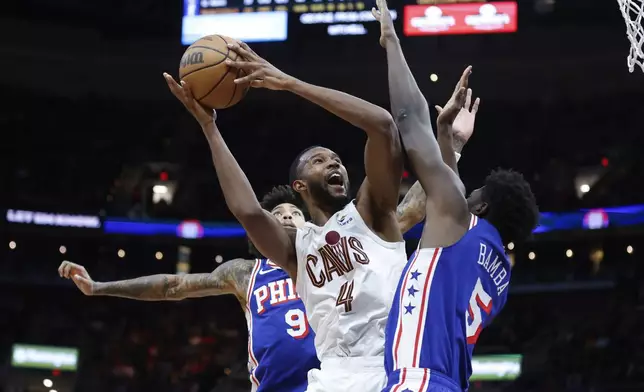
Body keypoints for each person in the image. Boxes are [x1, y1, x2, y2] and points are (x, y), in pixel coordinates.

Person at [159, 39, 474, 391]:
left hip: (391, 366)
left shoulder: (372, 212)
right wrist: (209, 127)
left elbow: (383, 125)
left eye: (336, 159)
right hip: (332, 376)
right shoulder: (297, 248)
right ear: (300, 185)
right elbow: (247, 210)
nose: (334, 162)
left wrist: (288, 82)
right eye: (319, 160)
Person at [372, 1, 540, 391]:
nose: (464, 192)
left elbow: (409, 121)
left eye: (473, 191)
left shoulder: (459, 220)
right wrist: (450, 141)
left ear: (479, 206)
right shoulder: (499, 268)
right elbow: (445, 202)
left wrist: (391, 41)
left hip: (417, 381)